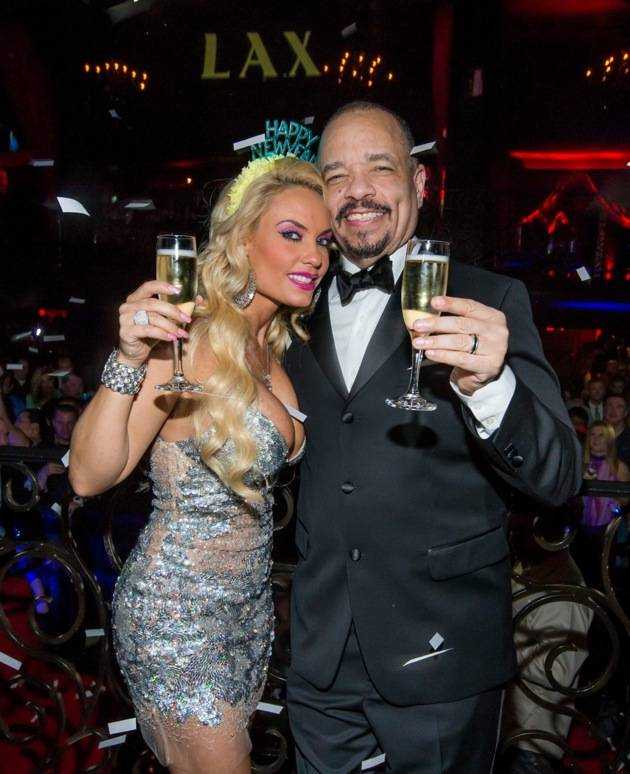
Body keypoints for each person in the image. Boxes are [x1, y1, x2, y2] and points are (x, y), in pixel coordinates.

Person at [284, 102, 582, 773]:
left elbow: (559, 476)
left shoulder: (490, 300)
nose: (358, 190)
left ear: (419, 184)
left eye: (379, 169)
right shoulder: (293, 305)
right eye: (336, 176)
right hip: (319, 655)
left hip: (443, 656)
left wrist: (491, 386)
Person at [69, 156, 331, 773]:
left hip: (249, 614)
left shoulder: (273, 347)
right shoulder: (189, 338)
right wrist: (129, 357)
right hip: (179, 615)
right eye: (291, 234)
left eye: (323, 241)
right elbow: (89, 475)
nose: (314, 256)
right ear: (242, 241)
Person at [604, 393, 630, 464]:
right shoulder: (595, 435)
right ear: (604, 410)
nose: (613, 410)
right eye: (610, 405)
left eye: (619, 406)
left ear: (626, 412)